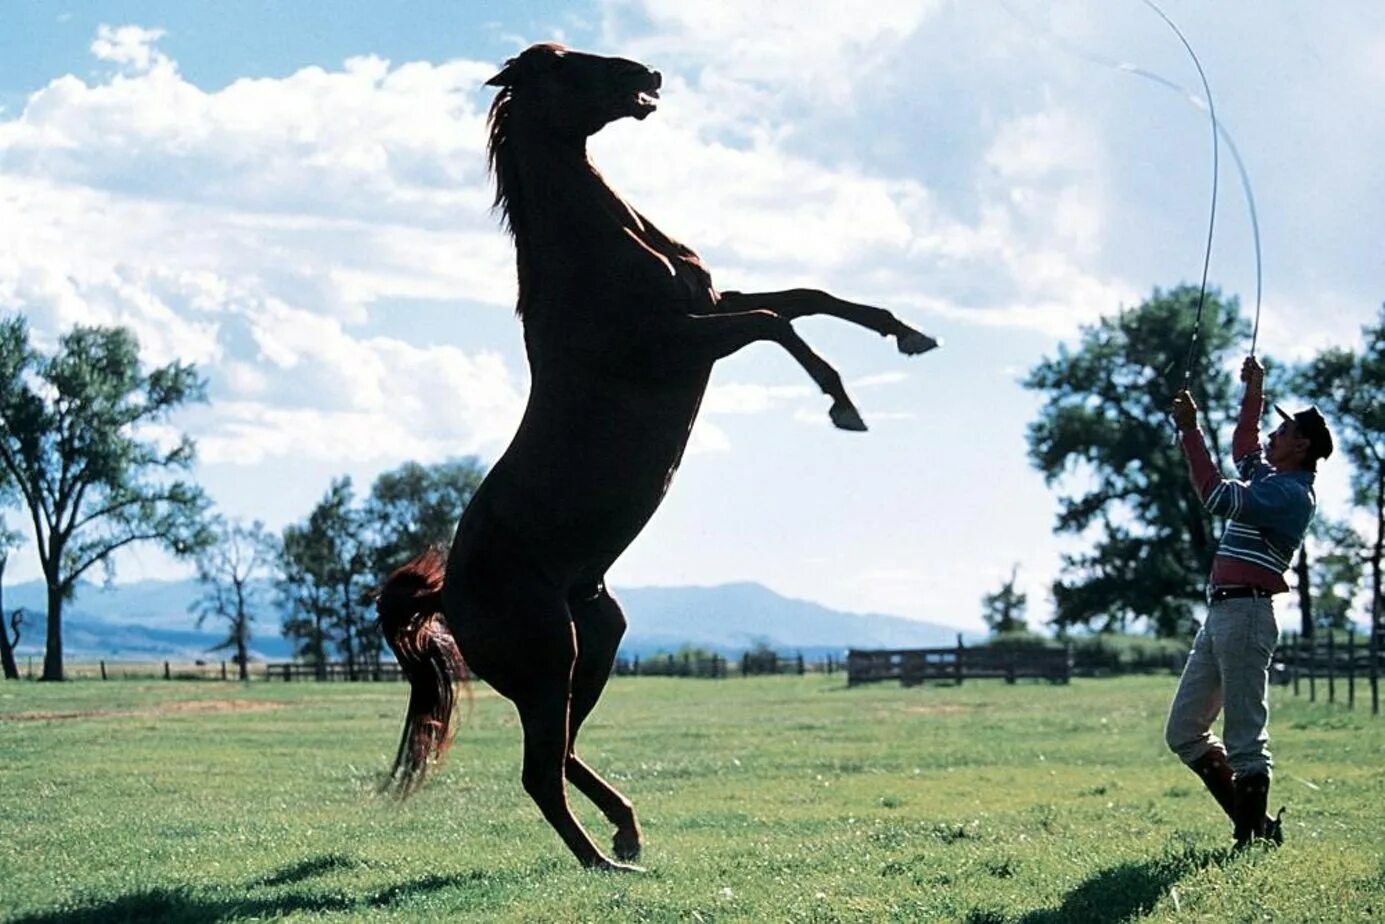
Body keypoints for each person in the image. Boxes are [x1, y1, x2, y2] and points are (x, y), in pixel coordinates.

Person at [1165, 355, 1333, 847]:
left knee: (1245, 740)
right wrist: (1254, 389)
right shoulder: (1270, 478)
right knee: (1184, 732)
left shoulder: (1290, 495)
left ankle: (1250, 842)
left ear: (1301, 446)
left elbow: (1216, 496)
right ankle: (1259, 830)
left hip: (1247, 614)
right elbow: (1244, 442)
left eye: (1283, 432)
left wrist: (1192, 432)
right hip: (1222, 614)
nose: (1272, 437)